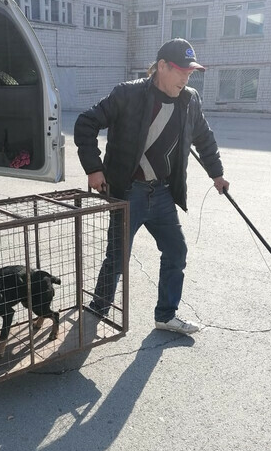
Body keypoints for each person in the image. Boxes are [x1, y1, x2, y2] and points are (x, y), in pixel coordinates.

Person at [74, 38, 230, 335]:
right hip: (129, 193)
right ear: (161, 67)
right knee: (117, 258)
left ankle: (166, 315)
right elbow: (85, 123)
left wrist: (217, 174)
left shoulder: (190, 100)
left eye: (190, 72)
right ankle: (98, 309)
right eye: (181, 71)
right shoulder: (128, 94)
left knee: (176, 251)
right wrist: (94, 168)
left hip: (160, 194)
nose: (186, 78)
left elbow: (204, 139)